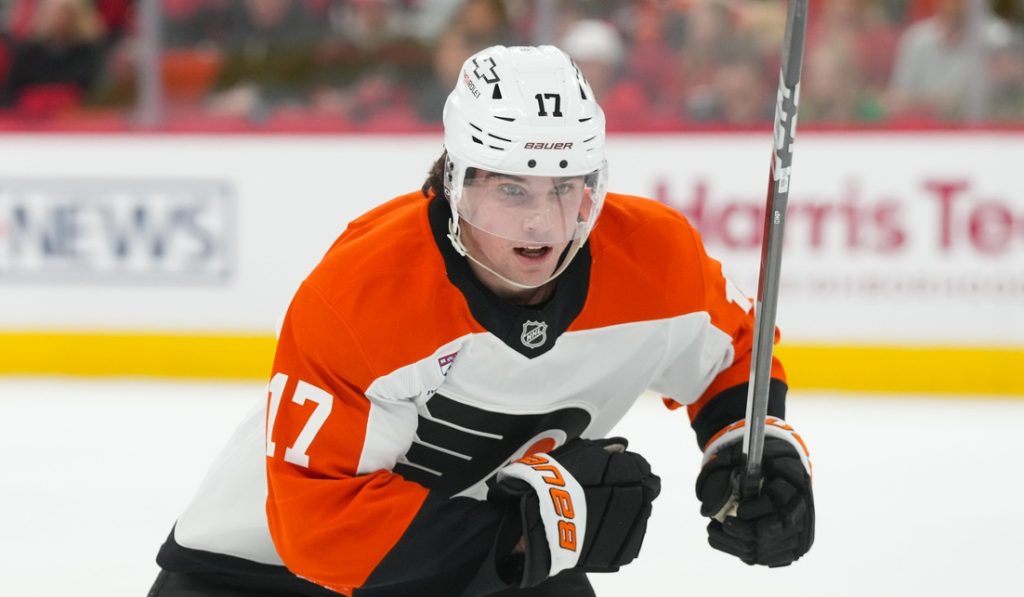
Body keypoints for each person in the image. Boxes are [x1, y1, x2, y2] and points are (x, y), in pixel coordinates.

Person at [148, 45, 815, 597]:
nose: (543, 223)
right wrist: (521, 534)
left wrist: (751, 451)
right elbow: (318, 525)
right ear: (454, 180)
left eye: (568, 186)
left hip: (487, 564)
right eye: (511, 188)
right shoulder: (362, 294)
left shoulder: (656, 257)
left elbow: (733, 350)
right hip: (260, 576)